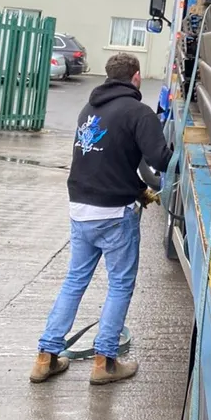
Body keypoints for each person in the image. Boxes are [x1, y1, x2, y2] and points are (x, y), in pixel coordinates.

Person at [30, 52, 173, 385]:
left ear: (109, 77)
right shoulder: (138, 112)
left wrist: (138, 189)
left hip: (80, 209)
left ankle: (45, 357)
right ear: (136, 77)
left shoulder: (88, 110)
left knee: (74, 282)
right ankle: (105, 362)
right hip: (112, 215)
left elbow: (104, 159)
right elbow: (161, 160)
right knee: (120, 285)